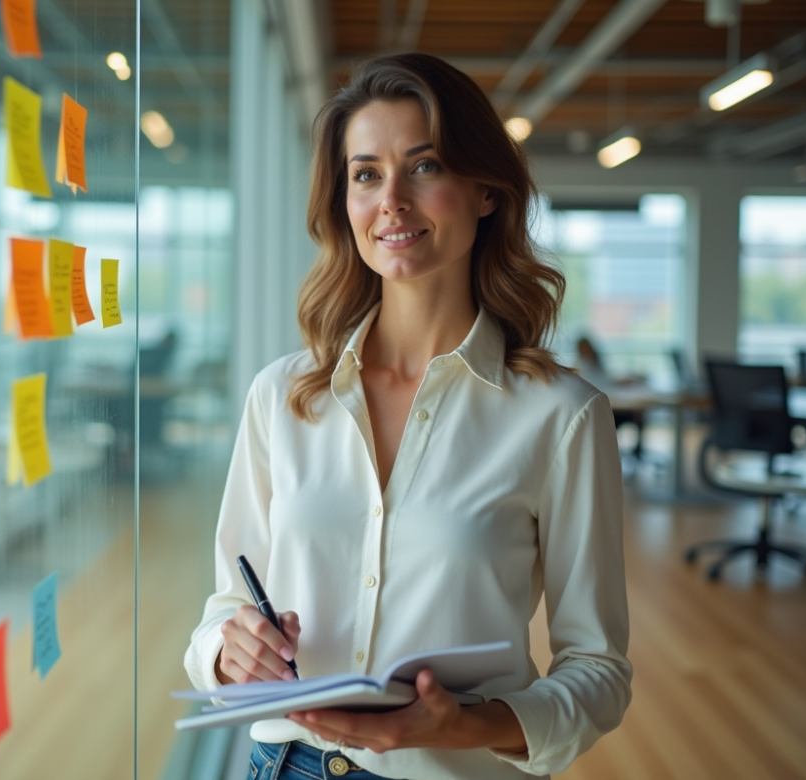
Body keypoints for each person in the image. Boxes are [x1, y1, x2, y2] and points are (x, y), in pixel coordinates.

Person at [183, 53, 631, 780]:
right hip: (281, 764)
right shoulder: (282, 396)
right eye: (365, 174)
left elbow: (599, 670)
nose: (390, 199)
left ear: (485, 191)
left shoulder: (564, 417)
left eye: (423, 167)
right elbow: (224, 608)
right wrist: (225, 652)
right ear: (344, 201)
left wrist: (467, 725)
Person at [574, 335, 646, 462]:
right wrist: (621, 381)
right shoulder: (582, 366)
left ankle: (637, 452)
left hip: (609, 404)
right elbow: (603, 384)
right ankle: (634, 453)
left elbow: (607, 380)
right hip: (604, 410)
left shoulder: (595, 363)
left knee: (640, 413)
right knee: (637, 414)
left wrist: (623, 380)